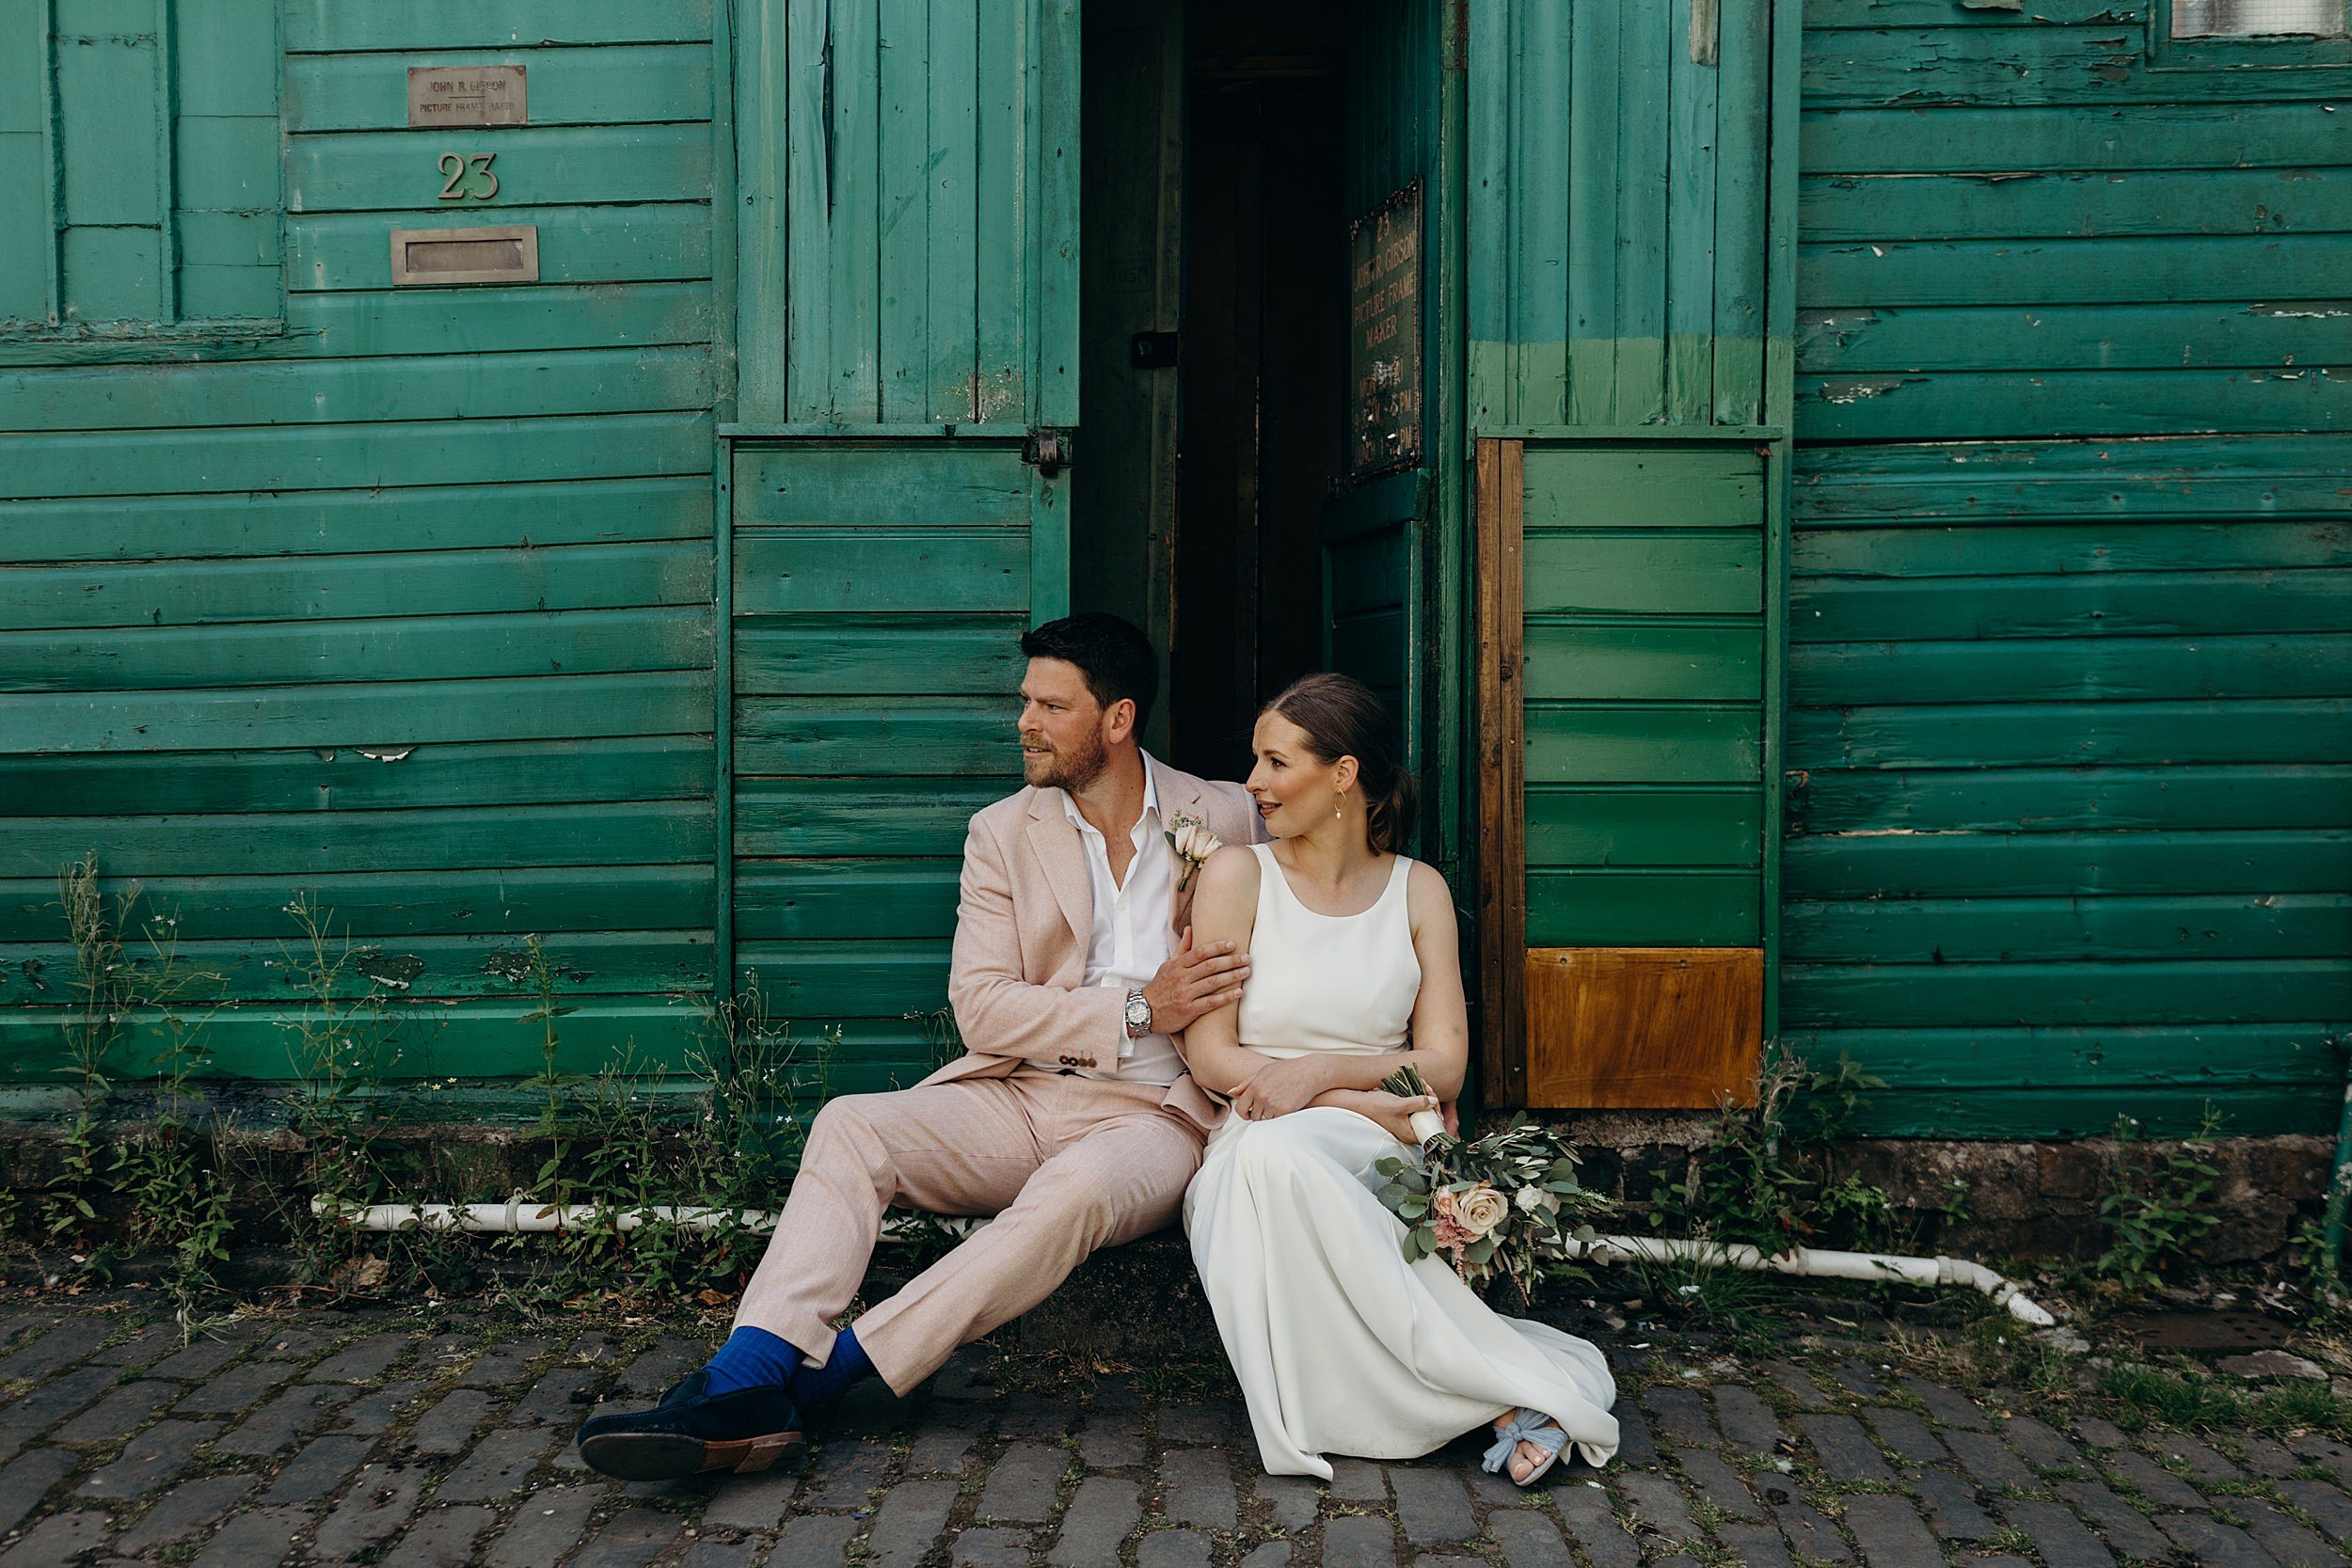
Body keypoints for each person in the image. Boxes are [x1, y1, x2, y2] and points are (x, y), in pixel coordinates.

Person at [577, 613, 1263, 1481]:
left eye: (1052, 705)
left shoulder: (1231, 814)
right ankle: (746, 1372)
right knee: (852, 1124)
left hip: (1153, 1118)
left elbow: (1327, 917)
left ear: (1118, 719)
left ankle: (830, 1381)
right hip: (1016, 1094)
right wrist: (1134, 1009)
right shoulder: (1001, 832)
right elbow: (983, 1009)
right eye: (1026, 702)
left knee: (1072, 1192)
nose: (1025, 722)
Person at [1177, 673, 1619, 1483]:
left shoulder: (1419, 890)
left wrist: (1320, 1071)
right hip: (1264, 1131)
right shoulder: (1238, 876)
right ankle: (1501, 1396)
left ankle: (1475, 1390)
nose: (1253, 783)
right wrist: (1348, 1094)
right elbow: (1210, 1053)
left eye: (1276, 763)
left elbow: (1445, 1061)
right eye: (1256, 762)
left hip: (1378, 1147)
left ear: (1342, 773)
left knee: (1287, 1161)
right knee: (1270, 1161)